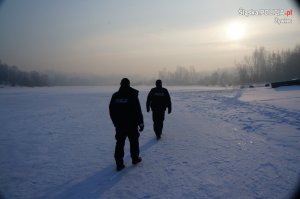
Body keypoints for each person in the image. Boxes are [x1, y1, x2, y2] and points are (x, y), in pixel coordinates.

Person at [109, 78, 144, 171]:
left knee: (120, 143)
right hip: (132, 125)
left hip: (120, 125)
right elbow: (138, 110)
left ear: (120, 84)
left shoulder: (115, 96)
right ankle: (135, 159)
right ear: (129, 84)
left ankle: (119, 164)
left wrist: (115, 122)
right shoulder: (133, 95)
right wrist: (141, 123)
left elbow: (111, 111)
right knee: (134, 142)